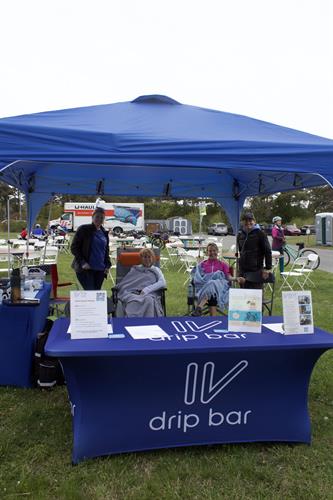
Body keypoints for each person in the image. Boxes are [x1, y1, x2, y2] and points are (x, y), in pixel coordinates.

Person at [116, 248, 166, 317]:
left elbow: (162, 283)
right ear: (141, 258)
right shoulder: (135, 269)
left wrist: (147, 289)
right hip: (132, 293)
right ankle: (132, 323)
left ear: (153, 258)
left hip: (149, 294)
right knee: (132, 301)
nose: (147, 259)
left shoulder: (156, 270)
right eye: (145, 257)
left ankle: (148, 323)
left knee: (149, 300)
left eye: (149, 257)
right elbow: (127, 282)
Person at [71, 207, 111, 290]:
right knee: (90, 293)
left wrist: (107, 265)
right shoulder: (84, 229)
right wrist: (83, 262)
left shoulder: (104, 233)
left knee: (96, 294)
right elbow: (74, 247)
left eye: (101, 218)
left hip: (100, 270)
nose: (99, 219)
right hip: (86, 269)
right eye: (97, 216)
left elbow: (105, 251)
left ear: (104, 220)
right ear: (92, 217)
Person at [191, 242, 232, 316]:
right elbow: (197, 278)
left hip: (220, 289)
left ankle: (199, 307)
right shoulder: (202, 265)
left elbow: (228, 277)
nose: (212, 252)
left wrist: (236, 279)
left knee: (213, 283)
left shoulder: (223, 265)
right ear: (207, 252)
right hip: (205, 288)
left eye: (214, 250)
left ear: (217, 252)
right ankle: (213, 319)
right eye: (210, 251)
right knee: (212, 292)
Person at [237, 212, 272, 289]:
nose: (248, 222)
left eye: (250, 220)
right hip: (243, 271)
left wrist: (267, 268)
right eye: (246, 220)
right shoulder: (240, 235)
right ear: (242, 222)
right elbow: (240, 252)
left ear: (254, 221)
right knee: (243, 295)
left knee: (256, 297)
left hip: (256, 271)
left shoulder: (260, 234)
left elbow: (268, 251)